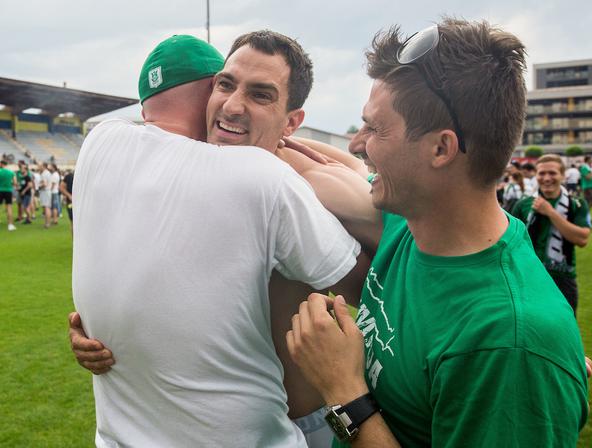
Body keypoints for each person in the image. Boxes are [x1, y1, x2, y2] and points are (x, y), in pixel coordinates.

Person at [286, 18, 588, 447]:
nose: (357, 143)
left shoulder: (506, 342)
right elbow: (329, 168)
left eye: (375, 128)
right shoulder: (411, 226)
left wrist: (343, 391)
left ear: (441, 149)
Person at [71, 33, 370, 448]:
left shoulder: (296, 179)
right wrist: (101, 322)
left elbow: (377, 278)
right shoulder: (195, 174)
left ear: (290, 121)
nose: (230, 105)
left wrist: (353, 171)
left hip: (303, 420)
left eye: (260, 95)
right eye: (224, 85)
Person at [511, 154, 591, 315]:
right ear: (536, 175)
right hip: (529, 277)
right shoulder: (523, 204)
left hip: (563, 277)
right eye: (542, 173)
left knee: (564, 332)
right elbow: (512, 242)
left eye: (553, 173)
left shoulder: (577, 203)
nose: (547, 178)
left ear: (562, 175)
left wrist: (550, 212)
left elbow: (582, 239)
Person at [0, 159, 17, 231]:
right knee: (9, 208)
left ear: (1, 164)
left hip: (0, 190)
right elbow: (15, 183)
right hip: (8, 191)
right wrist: (10, 184)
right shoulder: (11, 172)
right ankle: (10, 225)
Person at [37, 162, 52, 228]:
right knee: (46, 207)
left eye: (40, 166)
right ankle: (47, 223)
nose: (39, 167)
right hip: (47, 191)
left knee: (46, 208)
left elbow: (44, 184)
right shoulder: (47, 173)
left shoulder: (44, 174)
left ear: (44, 166)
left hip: (45, 191)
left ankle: (47, 223)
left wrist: (38, 187)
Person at [59, 169, 74, 235]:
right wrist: (69, 196)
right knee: (73, 222)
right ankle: (75, 244)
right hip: (71, 203)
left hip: (83, 203)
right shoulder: (69, 176)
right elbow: (61, 187)